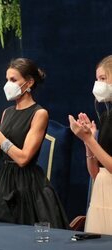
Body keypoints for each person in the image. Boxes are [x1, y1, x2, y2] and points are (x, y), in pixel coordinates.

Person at [0, 58, 69, 228]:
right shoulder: (6, 112)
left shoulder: (39, 113)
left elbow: (24, 158)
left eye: (13, 80)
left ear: (29, 82)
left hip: (27, 185)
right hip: (3, 181)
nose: (7, 84)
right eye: (6, 79)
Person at [69, 55, 112, 235]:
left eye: (103, 78)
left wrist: (89, 140)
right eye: (97, 79)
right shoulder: (105, 117)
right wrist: (89, 140)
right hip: (101, 194)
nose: (98, 84)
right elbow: (95, 172)